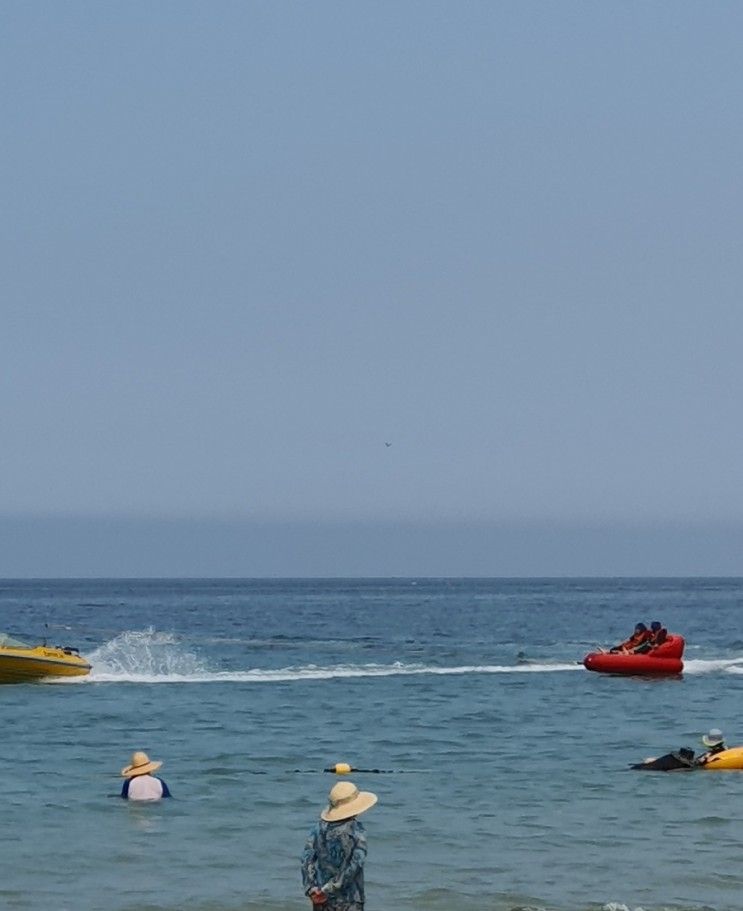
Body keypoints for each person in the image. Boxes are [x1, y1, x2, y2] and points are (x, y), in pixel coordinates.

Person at [301, 780, 378, 911]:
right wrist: (330, 888)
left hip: (320, 899)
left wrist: (312, 889)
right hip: (350, 900)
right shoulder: (356, 830)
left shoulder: (318, 828)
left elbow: (306, 859)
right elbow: (355, 865)